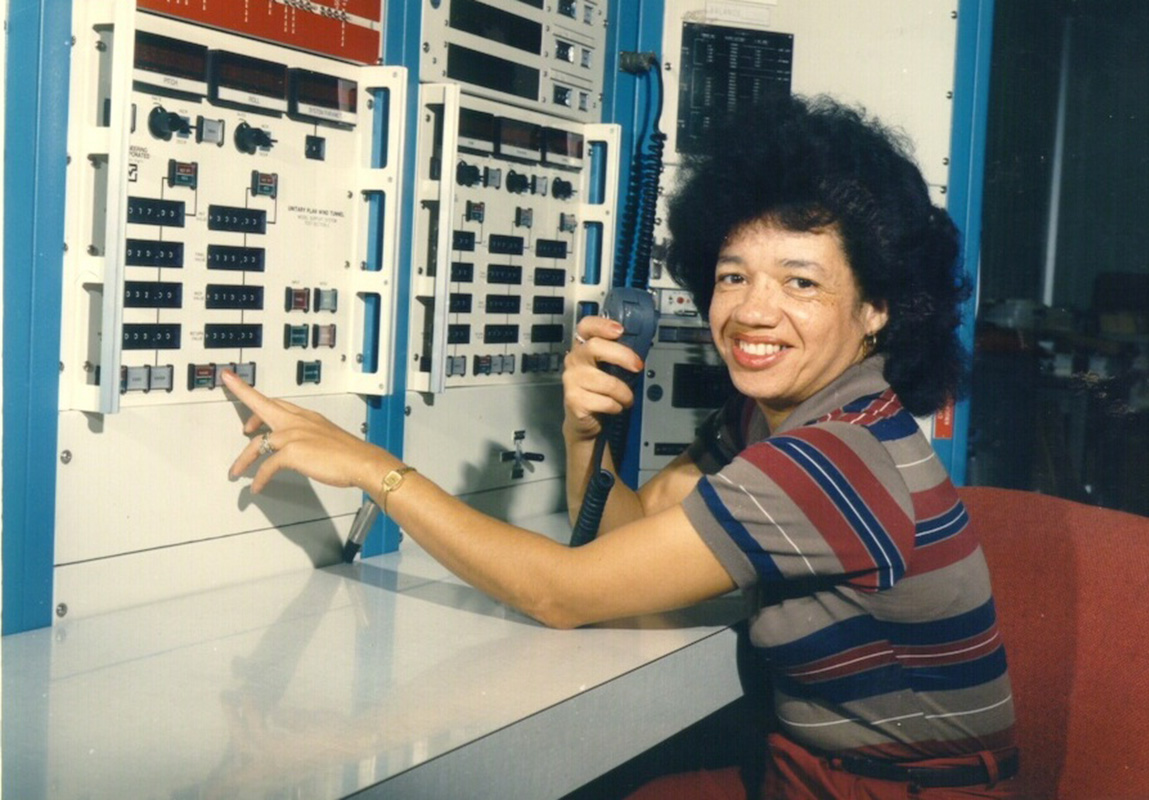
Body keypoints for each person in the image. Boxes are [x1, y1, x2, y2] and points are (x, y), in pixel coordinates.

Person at [224, 94, 1018, 799]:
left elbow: (562, 595)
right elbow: (629, 540)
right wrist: (584, 431)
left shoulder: (830, 461)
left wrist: (370, 466)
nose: (751, 311)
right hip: (815, 769)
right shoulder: (793, 421)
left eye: (801, 283)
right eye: (733, 276)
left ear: (877, 307)